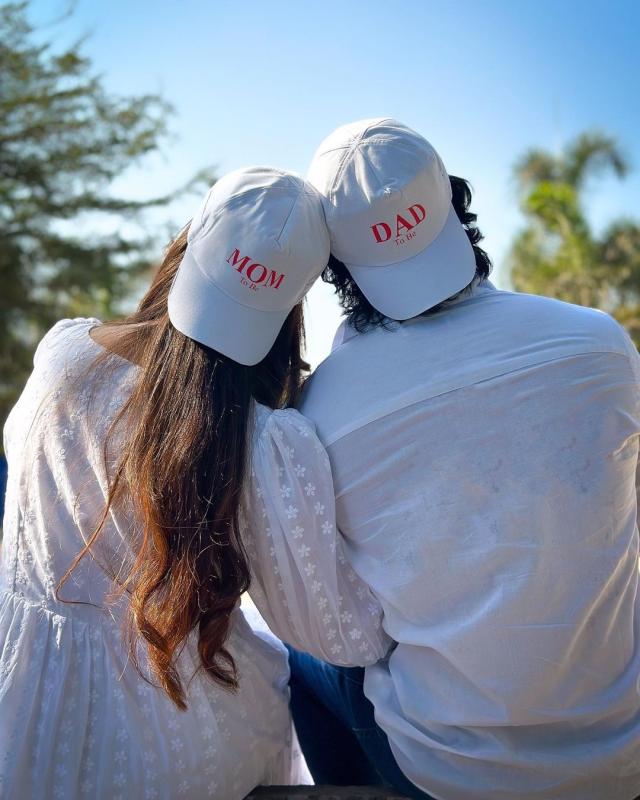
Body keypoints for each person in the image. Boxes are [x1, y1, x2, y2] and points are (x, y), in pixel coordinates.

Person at [0, 166, 391, 800]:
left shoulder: (62, 357)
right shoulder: (260, 438)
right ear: (291, 308)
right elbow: (341, 635)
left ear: (187, 243)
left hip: (20, 712)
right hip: (185, 742)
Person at [292, 118, 640, 800]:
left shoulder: (318, 409)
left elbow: (345, 631)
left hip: (449, 774)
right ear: (453, 203)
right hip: (623, 752)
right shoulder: (600, 343)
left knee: (300, 658)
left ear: (335, 264)